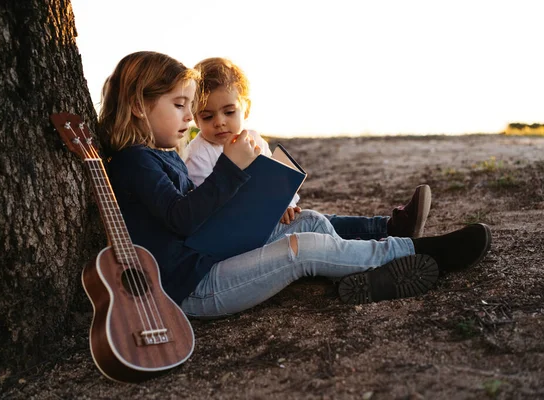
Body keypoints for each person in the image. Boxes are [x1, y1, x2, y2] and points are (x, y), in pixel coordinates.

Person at [99, 51, 492, 318]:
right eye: (180, 105)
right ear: (139, 105)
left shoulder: (163, 154)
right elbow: (181, 219)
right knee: (301, 249)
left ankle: (367, 277)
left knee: (311, 223)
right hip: (190, 289)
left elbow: (195, 220)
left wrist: (257, 202)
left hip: (208, 260)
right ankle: (426, 252)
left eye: (189, 106)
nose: (188, 117)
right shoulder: (134, 161)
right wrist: (231, 169)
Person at [185, 57, 430, 240]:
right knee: (313, 228)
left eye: (229, 112)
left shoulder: (254, 139)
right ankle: (379, 245)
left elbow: (277, 179)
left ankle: (389, 226)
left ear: (245, 109)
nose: (219, 122)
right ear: (196, 118)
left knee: (318, 219)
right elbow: (210, 205)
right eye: (207, 116)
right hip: (242, 233)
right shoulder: (198, 154)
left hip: (269, 218)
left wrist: (287, 203)